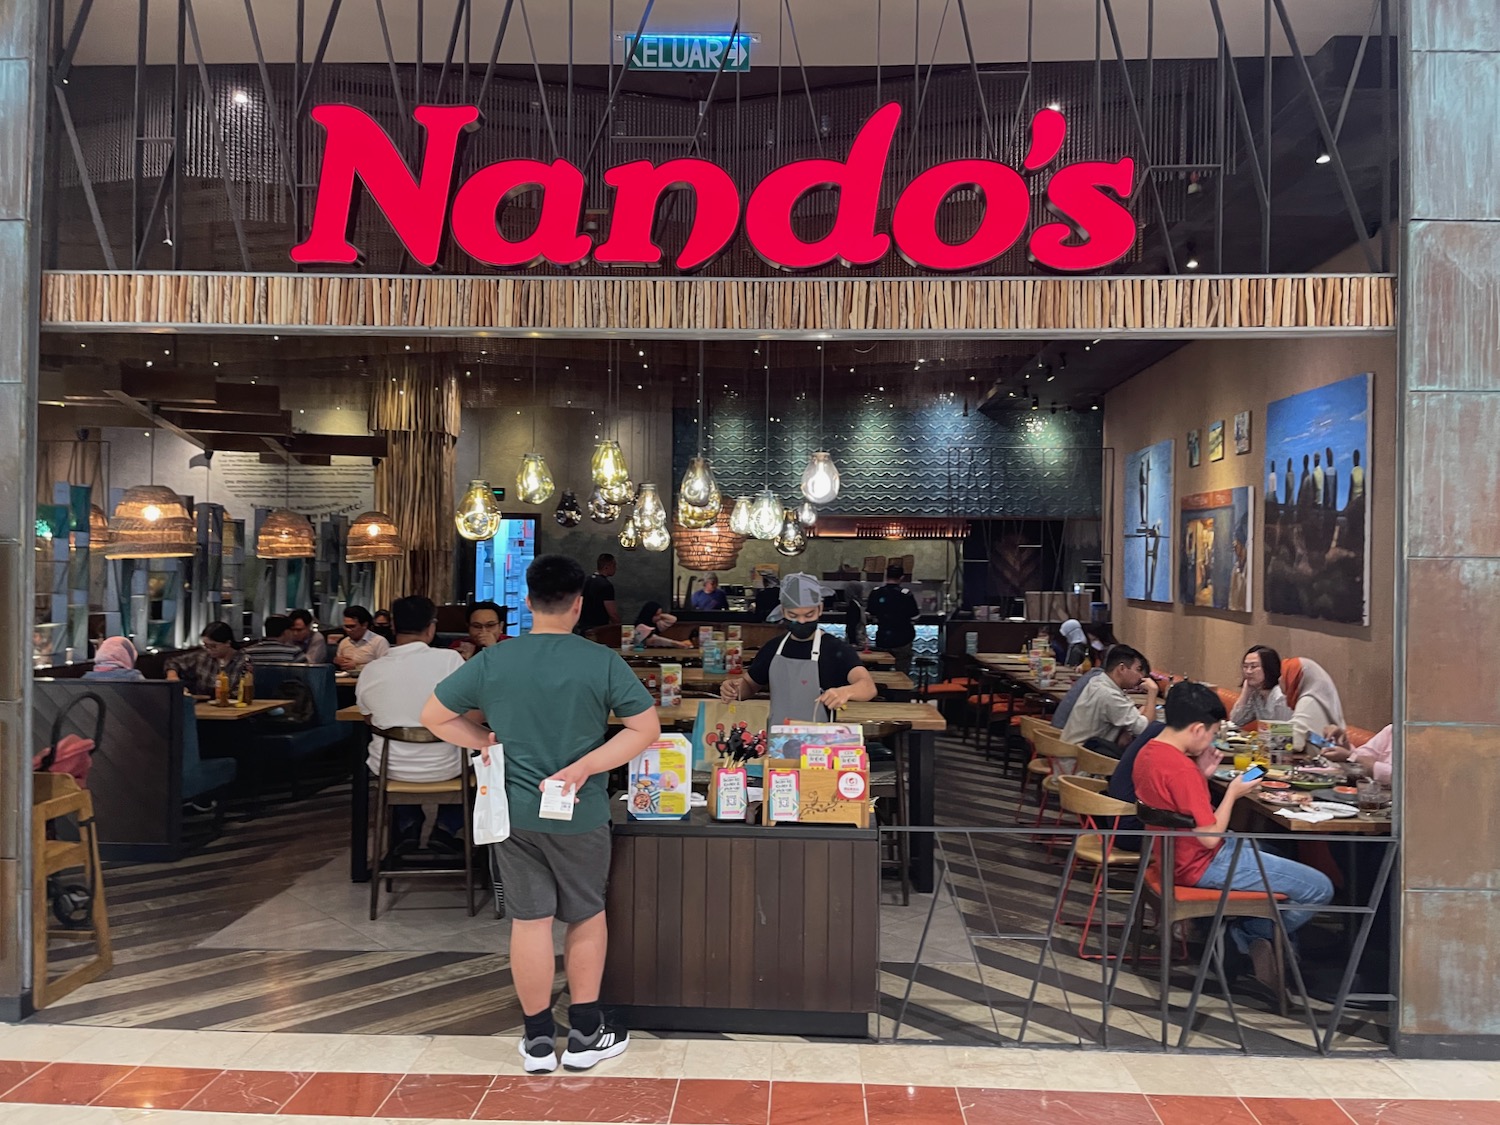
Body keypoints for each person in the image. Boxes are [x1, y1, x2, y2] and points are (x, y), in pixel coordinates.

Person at [421, 554, 660, 1074]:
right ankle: (584, 1036)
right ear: (578, 605)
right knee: (586, 915)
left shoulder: (493, 660)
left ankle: (535, 1044)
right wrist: (583, 768)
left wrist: (481, 740)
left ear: (526, 603)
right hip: (581, 813)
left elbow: (433, 716)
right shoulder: (602, 661)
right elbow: (645, 730)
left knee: (530, 923)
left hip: (514, 815)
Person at [1131, 682, 1334, 992]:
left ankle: (1244, 931)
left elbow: (1178, 807)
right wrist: (1233, 794)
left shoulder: (1149, 752)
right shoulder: (1181, 769)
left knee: (1272, 848)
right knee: (1320, 888)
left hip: (1170, 858)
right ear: (1198, 728)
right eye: (1212, 733)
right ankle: (1247, 936)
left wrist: (1203, 776)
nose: (1213, 739)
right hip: (1201, 864)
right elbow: (1210, 838)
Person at [358, 596, 469, 856]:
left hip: (391, 768)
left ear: (393, 626)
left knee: (397, 760)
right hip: (446, 767)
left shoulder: (371, 669)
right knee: (483, 761)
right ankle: (445, 828)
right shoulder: (451, 660)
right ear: (432, 627)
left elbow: (369, 719)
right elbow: (469, 712)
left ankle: (408, 826)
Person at [721, 573, 877, 721]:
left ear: (820, 609)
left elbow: (868, 687)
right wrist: (734, 689)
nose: (802, 621)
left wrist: (846, 691)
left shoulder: (836, 648)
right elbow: (750, 685)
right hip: (778, 738)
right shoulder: (773, 648)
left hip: (820, 743)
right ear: (783, 611)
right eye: (793, 616)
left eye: (809, 615)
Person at [1059, 645, 1159, 755]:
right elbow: (1144, 730)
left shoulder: (1098, 681)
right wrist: (1153, 692)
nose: (1141, 676)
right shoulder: (1109, 695)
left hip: (1074, 752)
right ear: (1122, 668)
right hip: (1081, 763)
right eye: (1138, 670)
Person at [166, 622, 253, 695]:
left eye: (213, 646)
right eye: (206, 646)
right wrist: (173, 677)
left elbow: (240, 691)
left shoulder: (243, 661)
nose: (209, 650)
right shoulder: (202, 657)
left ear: (227, 643)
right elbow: (173, 662)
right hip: (202, 705)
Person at [1280, 657, 1346, 751]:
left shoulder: (1309, 701)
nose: (1280, 680)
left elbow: (1295, 741)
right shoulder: (1319, 697)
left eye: (1284, 675)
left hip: (1323, 762)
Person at [865, 563, 921, 673]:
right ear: (901, 578)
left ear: (886, 576)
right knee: (902, 672)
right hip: (903, 638)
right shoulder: (906, 594)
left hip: (883, 638)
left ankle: (882, 689)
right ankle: (901, 689)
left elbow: (869, 614)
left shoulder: (876, 592)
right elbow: (915, 616)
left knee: (882, 672)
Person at [1230, 645, 1293, 725]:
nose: (1248, 671)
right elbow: (1236, 721)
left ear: (1268, 668)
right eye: (1245, 666)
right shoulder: (1256, 694)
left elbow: (1286, 731)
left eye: (1253, 666)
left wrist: (1264, 732)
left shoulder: (1280, 696)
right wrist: (1245, 693)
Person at [1321, 723, 1392, 785]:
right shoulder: (1391, 730)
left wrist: (1350, 757)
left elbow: (1397, 776)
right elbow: (1362, 755)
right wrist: (1342, 743)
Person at [334, 606, 391, 672]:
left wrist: (357, 667)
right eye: (346, 626)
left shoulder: (379, 642)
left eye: (352, 626)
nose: (348, 630)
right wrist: (337, 662)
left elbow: (384, 666)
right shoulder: (344, 642)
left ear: (364, 625)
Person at [576, 554, 619, 635]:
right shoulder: (606, 585)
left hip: (582, 628)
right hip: (599, 630)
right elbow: (612, 614)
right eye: (614, 565)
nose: (616, 568)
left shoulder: (585, 581)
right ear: (607, 566)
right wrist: (619, 629)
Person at [243, 615, 307, 664]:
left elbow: (236, 676)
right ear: (286, 632)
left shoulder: (247, 652)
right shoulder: (295, 652)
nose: (293, 633)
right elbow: (305, 676)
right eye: (291, 630)